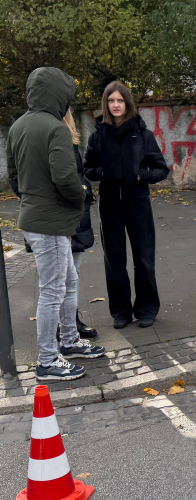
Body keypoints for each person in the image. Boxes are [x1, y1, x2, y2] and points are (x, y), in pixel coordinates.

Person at [6, 67, 106, 381]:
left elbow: (13, 177)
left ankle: (69, 341)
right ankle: (48, 360)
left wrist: (31, 198)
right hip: (51, 222)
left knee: (68, 281)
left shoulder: (17, 126)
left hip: (35, 217)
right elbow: (65, 177)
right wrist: (80, 196)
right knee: (53, 290)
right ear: (59, 96)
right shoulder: (56, 128)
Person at [84, 82, 169, 328]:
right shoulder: (98, 136)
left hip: (138, 203)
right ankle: (121, 311)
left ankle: (146, 308)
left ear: (127, 103)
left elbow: (161, 169)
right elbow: (88, 168)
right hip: (110, 204)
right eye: (111, 101)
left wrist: (140, 175)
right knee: (114, 261)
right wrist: (104, 172)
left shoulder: (143, 134)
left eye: (120, 100)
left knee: (144, 258)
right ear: (106, 104)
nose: (116, 105)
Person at [62, 109, 98, 337]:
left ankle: (71, 320)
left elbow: (78, 172)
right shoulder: (47, 135)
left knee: (73, 272)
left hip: (78, 212)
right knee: (60, 275)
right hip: (61, 212)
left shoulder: (71, 139)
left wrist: (85, 189)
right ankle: (64, 324)